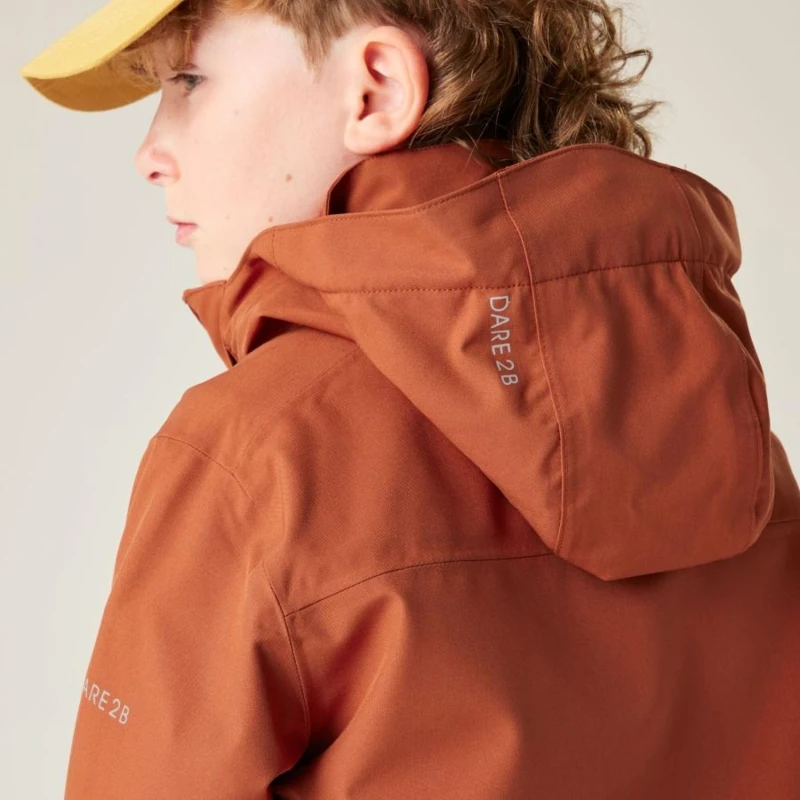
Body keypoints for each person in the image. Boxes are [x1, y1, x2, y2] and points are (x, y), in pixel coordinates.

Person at [21, 1, 800, 797]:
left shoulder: (254, 458)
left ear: (378, 90)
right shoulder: (735, 453)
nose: (150, 153)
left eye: (190, 80)